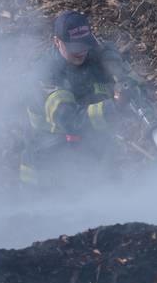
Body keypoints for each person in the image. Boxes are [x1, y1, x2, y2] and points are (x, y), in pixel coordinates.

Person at [20, 10, 146, 188]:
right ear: (57, 41)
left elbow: (135, 83)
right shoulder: (46, 75)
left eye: (84, 45)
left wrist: (130, 85)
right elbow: (71, 120)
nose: (81, 52)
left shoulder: (94, 57)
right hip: (49, 179)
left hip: (89, 167)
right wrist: (115, 106)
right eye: (74, 47)